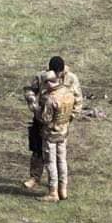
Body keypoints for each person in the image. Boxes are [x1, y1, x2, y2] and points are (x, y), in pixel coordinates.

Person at [23, 55, 83, 188]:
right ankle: (35, 177)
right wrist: (34, 105)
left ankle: (57, 186)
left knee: (58, 155)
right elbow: (29, 89)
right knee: (37, 149)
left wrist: (69, 117)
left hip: (60, 122)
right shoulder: (42, 77)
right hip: (42, 117)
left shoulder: (71, 79)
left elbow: (78, 100)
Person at [36, 70, 76, 202]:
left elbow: (45, 119)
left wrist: (37, 111)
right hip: (63, 132)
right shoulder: (68, 92)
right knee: (62, 161)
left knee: (51, 162)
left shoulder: (51, 98)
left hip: (51, 134)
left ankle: (53, 192)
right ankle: (63, 190)